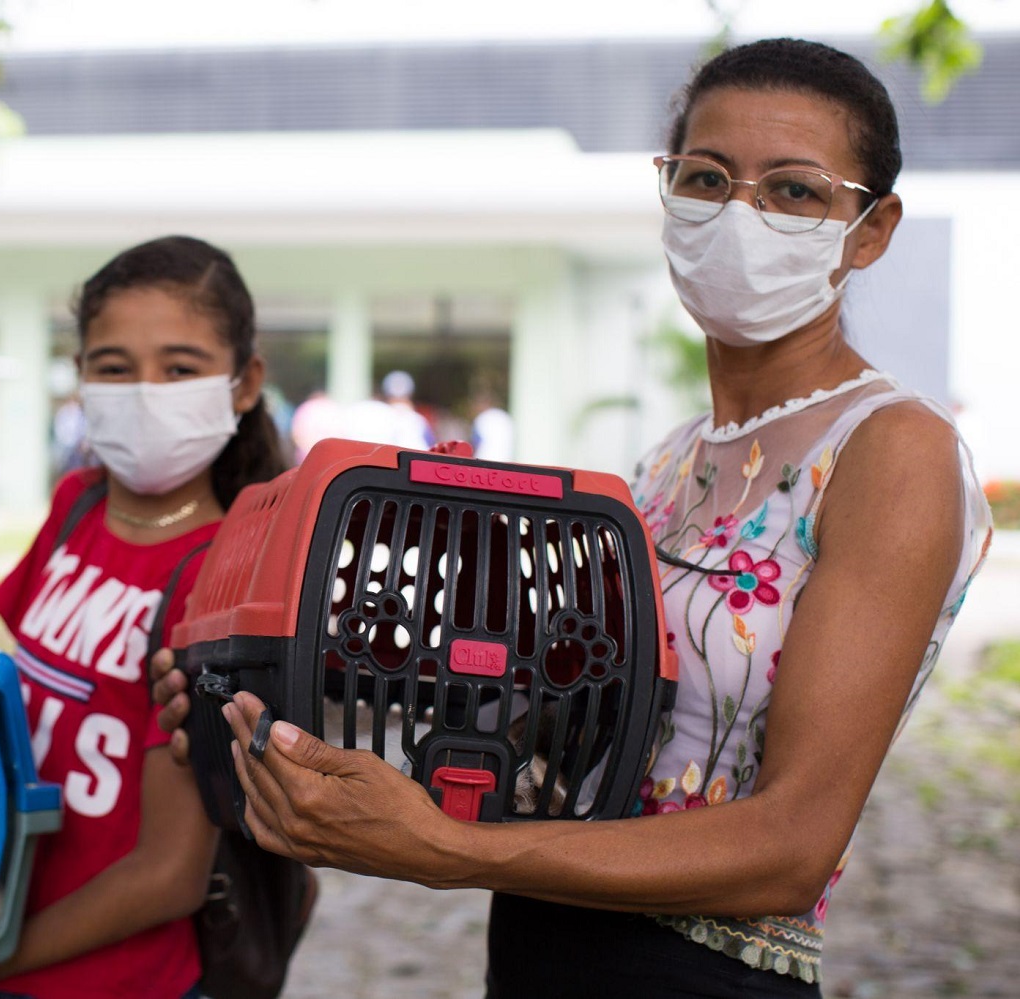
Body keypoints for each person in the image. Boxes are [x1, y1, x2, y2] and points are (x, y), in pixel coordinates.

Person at [153, 39, 992, 998]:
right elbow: (554, 730)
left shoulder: (892, 449)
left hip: (702, 976)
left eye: (794, 191)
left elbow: (793, 844)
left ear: (871, 228)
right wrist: (271, 709)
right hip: (545, 946)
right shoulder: (667, 463)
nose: (740, 215)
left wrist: (449, 846)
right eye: (707, 178)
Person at [0, 235, 287, 999]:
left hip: (108, 978)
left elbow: (170, 875)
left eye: (179, 368)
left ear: (243, 384)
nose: (145, 391)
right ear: (79, 378)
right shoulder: (76, 504)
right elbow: (34, 706)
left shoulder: (221, 576)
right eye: (114, 366)